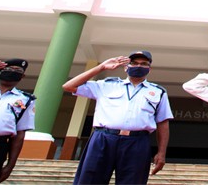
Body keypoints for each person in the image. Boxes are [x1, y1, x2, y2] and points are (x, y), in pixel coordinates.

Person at [63, 50, 172, 185]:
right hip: (103, 138)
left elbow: (162, 122)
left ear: (149, 69)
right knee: (89, 180)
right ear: (126, 67)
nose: (138, 66)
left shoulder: (158, 92)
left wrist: (161, 153)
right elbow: (69, 86)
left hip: (137, 142)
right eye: (134, 63)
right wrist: (101, 67)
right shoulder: (106, 85)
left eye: (144, 64)